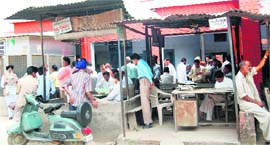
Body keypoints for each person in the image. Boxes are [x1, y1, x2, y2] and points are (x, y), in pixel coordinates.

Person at [235, 50, 270, 143]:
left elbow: (260, 66)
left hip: (253, 102)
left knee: (266, 113)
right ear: (242, 67)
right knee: (266, 115)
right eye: (248, 65)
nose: (250, 67)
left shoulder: (248, 73)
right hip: (245, 104)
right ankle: (268, 138)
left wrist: (265, 56)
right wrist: (257, 102)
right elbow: (244, 97)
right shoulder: (238, 79)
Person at [131, 53, 154, 129]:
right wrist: (150, 81)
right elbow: (150, 72)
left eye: (132, 61)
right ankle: (149, 121)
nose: (133, 63)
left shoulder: (140, 63)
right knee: (146, 101)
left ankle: (147, 122)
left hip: (144, 81)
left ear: (135, 59)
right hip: (146, 81)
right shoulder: (143, 62)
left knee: (144, 102)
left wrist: (151, 82)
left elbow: (146, 73)